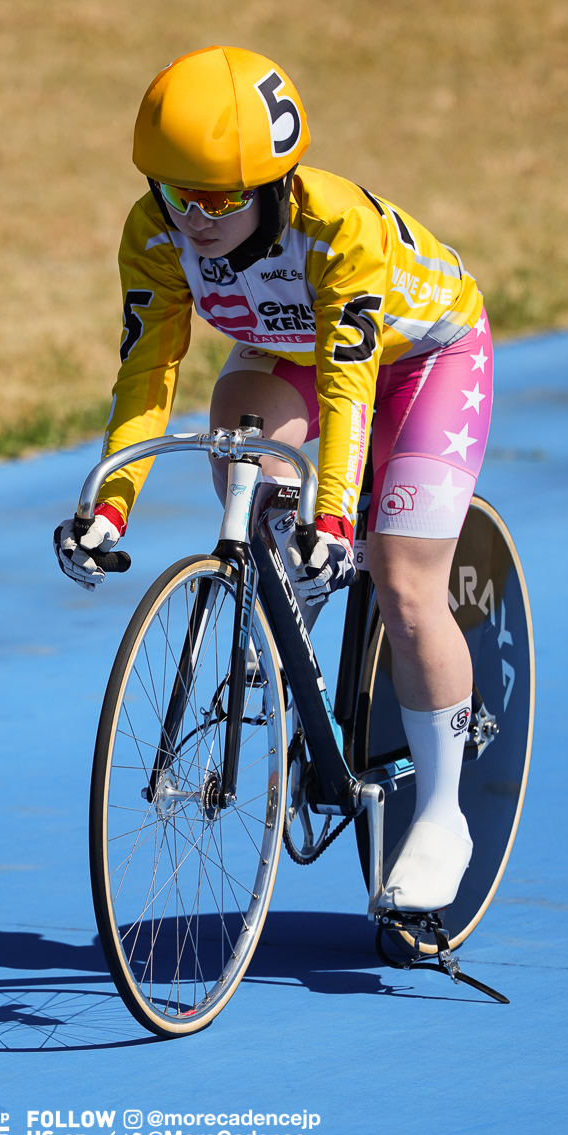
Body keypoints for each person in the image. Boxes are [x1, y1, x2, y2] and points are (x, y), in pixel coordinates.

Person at [54, 45, 494, 914]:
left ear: (271, 185)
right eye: (175, 192)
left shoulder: (336, 231)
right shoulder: (154, 234)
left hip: (419, 360)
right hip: (287, 355)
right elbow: (147, 375)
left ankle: (442, 814)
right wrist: (107, 507)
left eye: (217, 197)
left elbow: (350, 380)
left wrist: (335, 519)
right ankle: (293, 630)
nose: (195, 218)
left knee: (405, 585)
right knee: (243, 460)